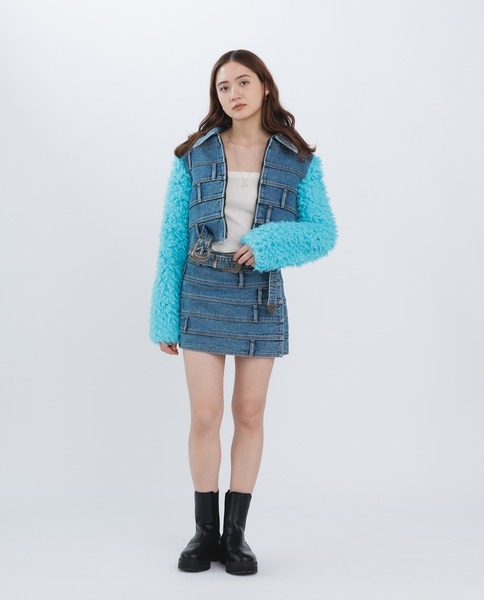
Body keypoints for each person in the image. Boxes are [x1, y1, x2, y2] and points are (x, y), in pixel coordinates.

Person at [149, 49, 337, 575]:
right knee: (205, 416)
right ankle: (204, 532)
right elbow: (172, 238)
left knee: (249, 414)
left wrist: (269, 244)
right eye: (223, 86)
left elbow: (323, 232)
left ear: (265, 87)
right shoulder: (194, 155)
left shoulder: (299, 160)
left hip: (259, 296)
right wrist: (164, 313)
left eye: (243, 82)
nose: (234, 93)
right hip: (201, 289)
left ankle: (236, 536)